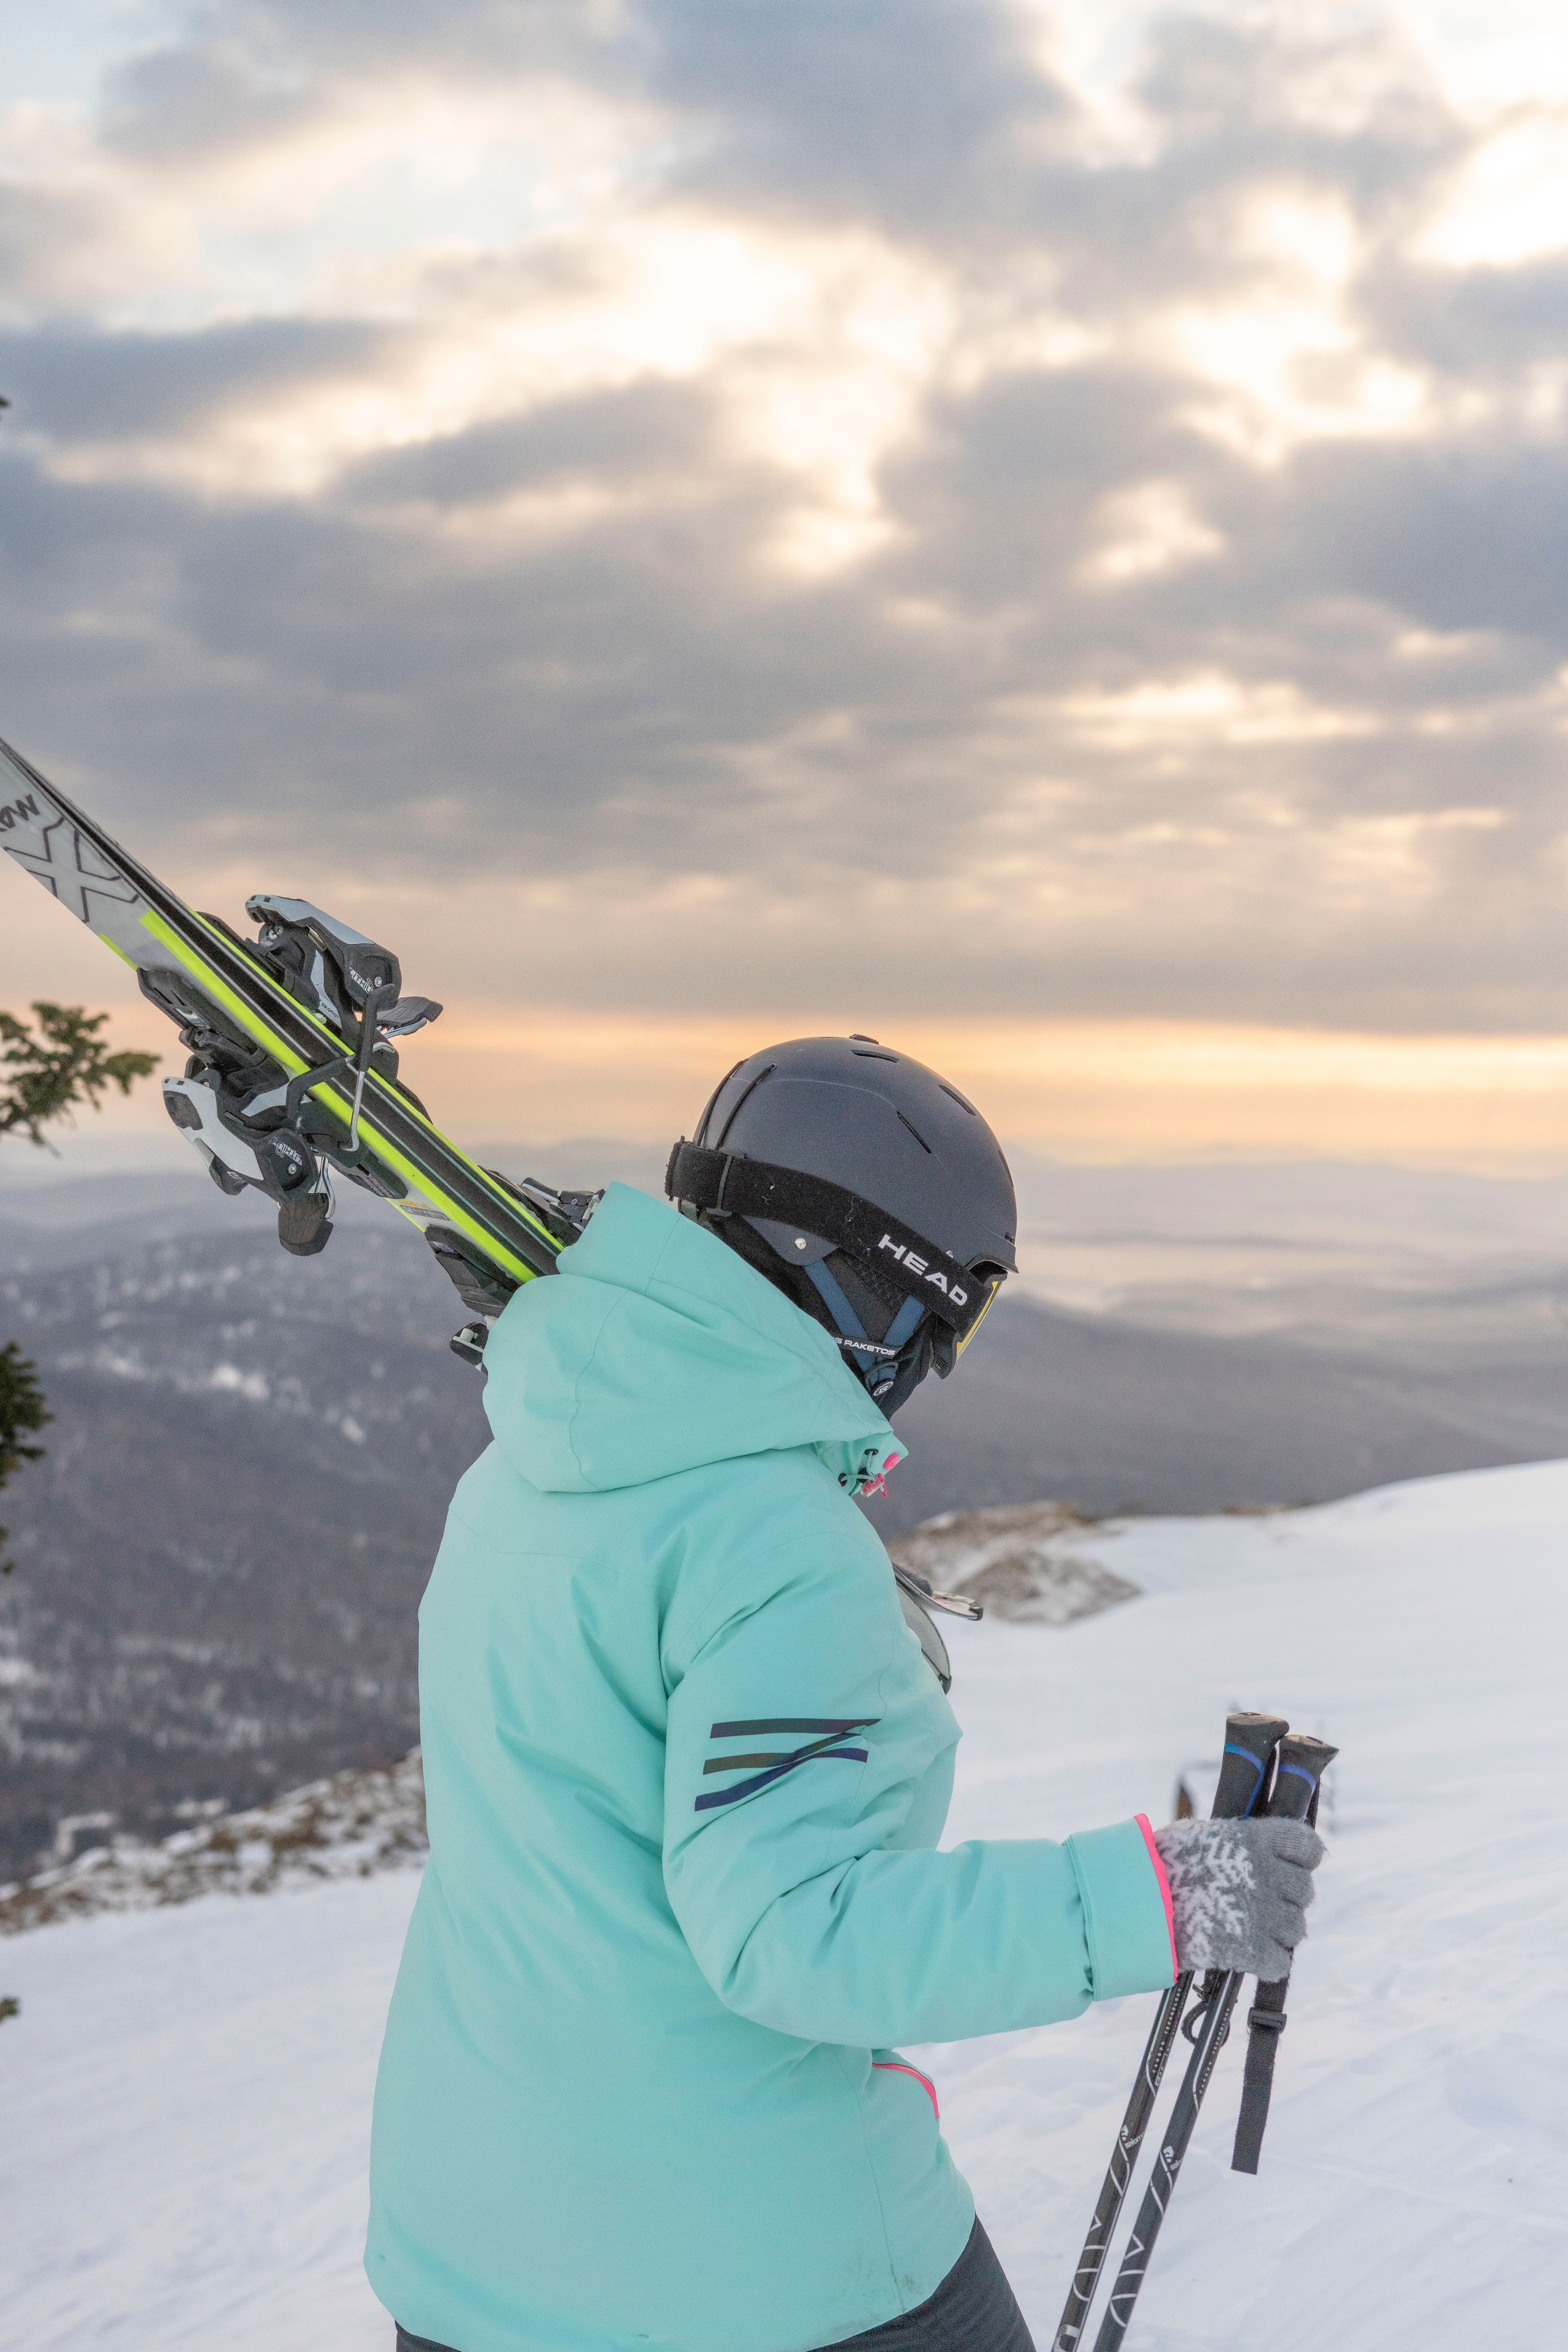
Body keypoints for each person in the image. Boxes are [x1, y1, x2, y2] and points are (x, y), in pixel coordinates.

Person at [366, 1036, 1322, 2352]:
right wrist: (1164, 1898)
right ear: (864, 1280)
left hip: (466, 2238)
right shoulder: (773, 1543)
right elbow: (794, 1940)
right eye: (943, 1317)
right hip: (750, 2267)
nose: (931, 1359)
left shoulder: (525, 1469)